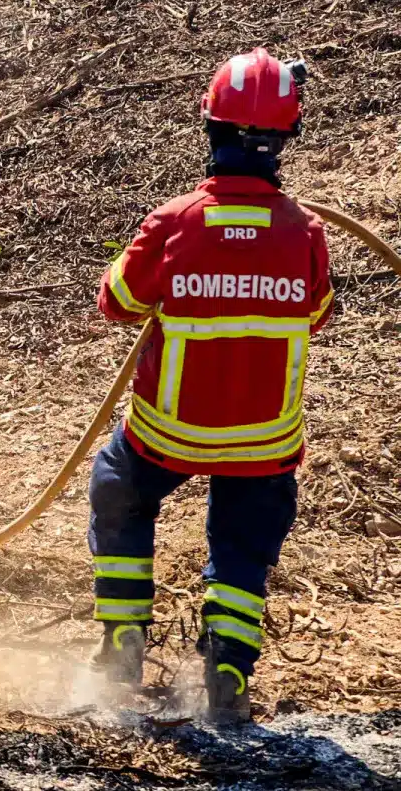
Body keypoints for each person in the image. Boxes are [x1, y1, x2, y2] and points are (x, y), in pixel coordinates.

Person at [89, 48, 332, 724]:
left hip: (169, 433)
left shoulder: (174, 222)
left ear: (210, 127)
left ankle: (122, 641)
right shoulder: (305, 233)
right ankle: (228, 661)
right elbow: (317, 311)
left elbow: (117, 303)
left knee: (118, 487)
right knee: (244, 543)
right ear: (288, 136)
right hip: (264, 441)